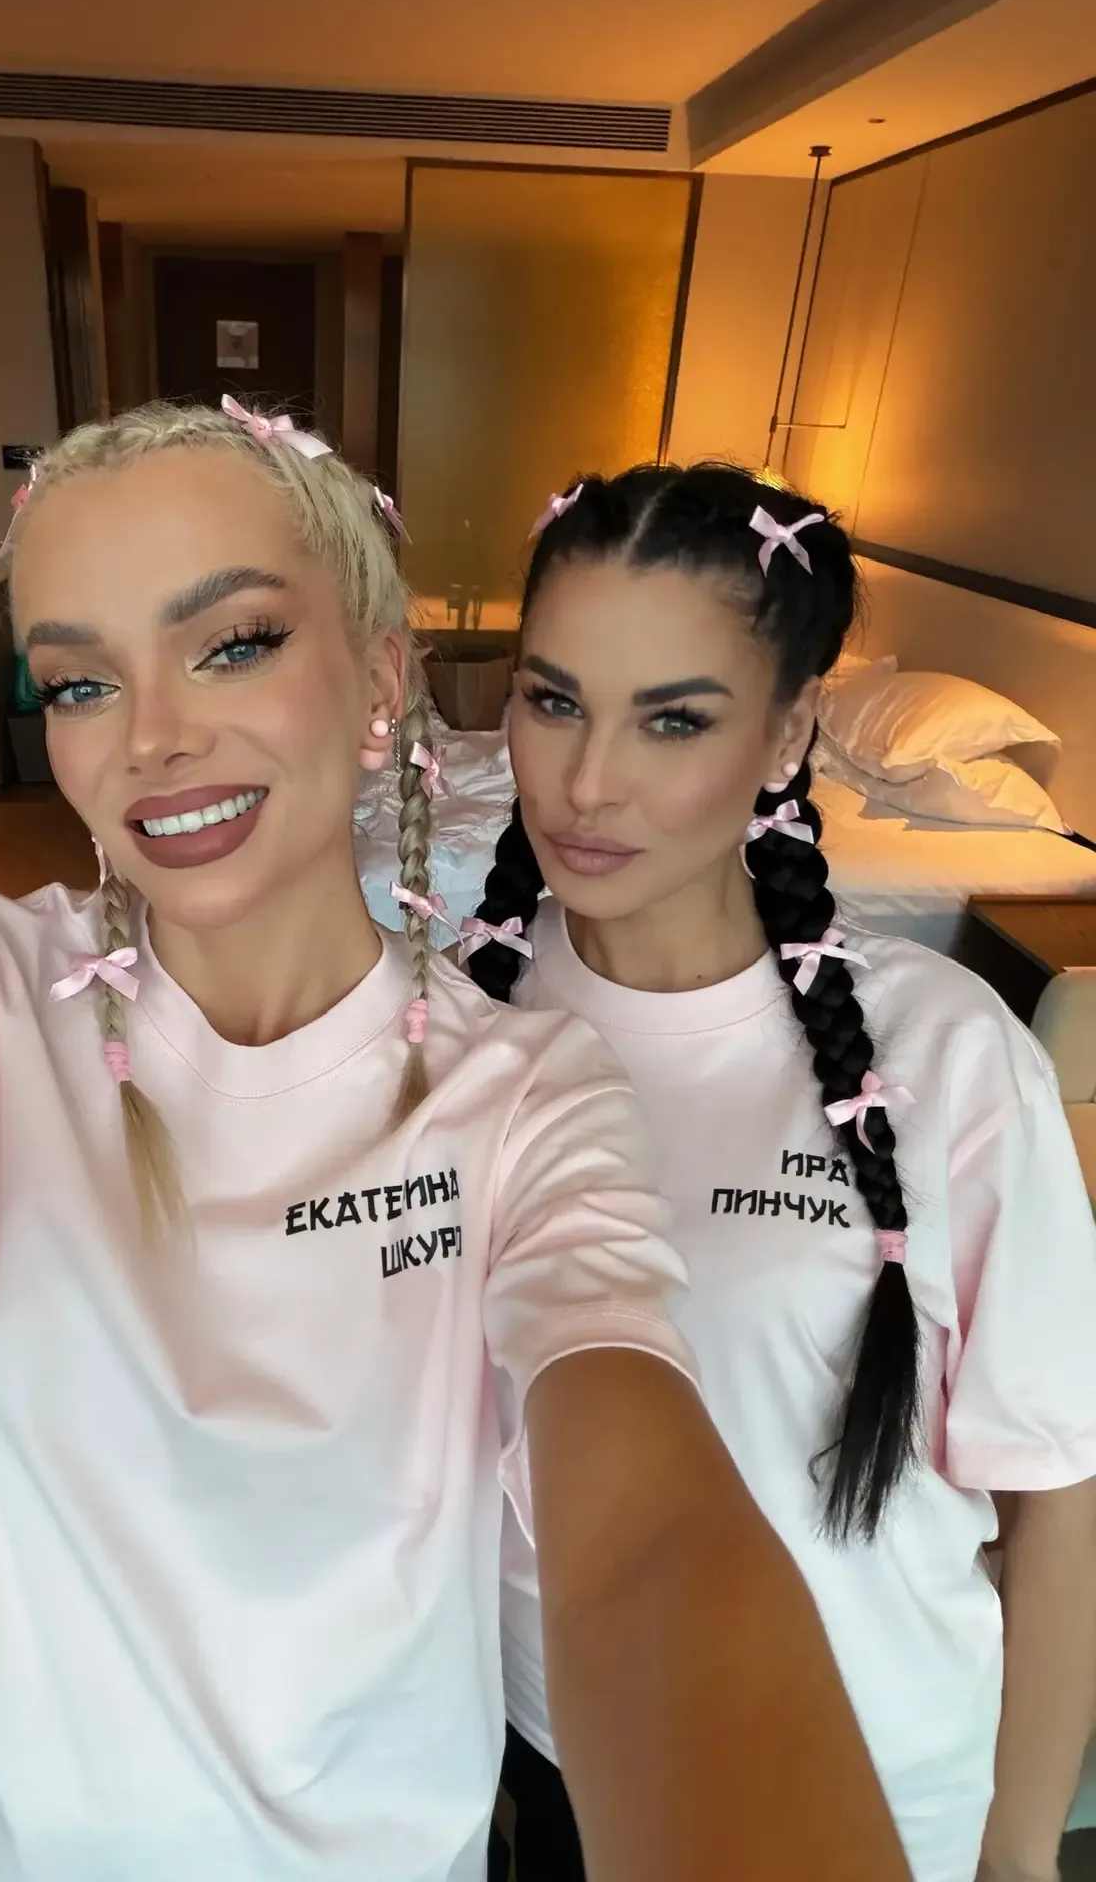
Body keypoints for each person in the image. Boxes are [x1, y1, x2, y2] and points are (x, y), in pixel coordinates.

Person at [0, 407, 909, 1882]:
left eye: (232, 644)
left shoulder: (526, 1091)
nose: (152, 738)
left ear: (381, 681)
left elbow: (641, 1526)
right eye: (79, 681)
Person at [465, 464, 1096, 1882]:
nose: (587, 782)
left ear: (790, 730)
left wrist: (1016, 1855)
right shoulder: (461, 1023)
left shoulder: (946, 1054)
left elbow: (1061, 1486)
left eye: (673, 718)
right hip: (554, 1749)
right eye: (553, 701)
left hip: (860, 1780)